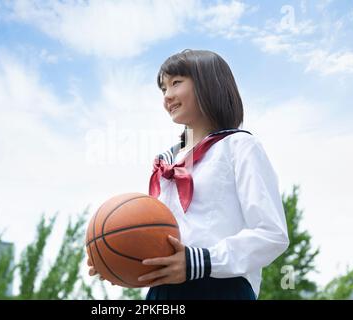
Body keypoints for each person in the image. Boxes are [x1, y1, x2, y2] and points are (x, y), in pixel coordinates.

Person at [88, 49, 289, 300]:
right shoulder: (166, 161)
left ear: (209, 85)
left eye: (176, 83)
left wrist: (199, 261)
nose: (167, 96)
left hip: (220, 288)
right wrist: (117, 259)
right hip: (162, 293)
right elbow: (157, 238)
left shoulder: (239, 146)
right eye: (163, 89)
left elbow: (272, 234)